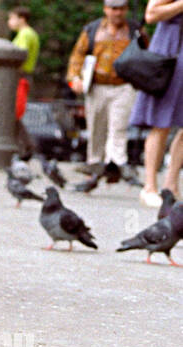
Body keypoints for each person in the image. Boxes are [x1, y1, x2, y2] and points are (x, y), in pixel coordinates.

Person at [67, 0, 137, 183]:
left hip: (124, 85)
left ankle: (116, 165)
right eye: (114, 8)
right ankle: (95, 166)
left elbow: (147, 54)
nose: (118, 13)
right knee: (96, 128)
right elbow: (77, 55)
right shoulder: (92, 29)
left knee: (118, 126)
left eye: (121, 8)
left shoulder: (134, 30)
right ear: (106, 9)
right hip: (96, 85)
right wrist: (75, 78)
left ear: (126, 9)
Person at [130, 0, 183, 206]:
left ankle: (171, 185)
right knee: (161, 122)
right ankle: (149, 186)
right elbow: (151, 14)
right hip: (171, 53)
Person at [8, 7, 39, 119]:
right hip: (24, 76)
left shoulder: (25, 34)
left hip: (20, 76)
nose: (9, 22)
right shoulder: (30, 33)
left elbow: (20, 55)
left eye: (12, 18)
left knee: (15, 112)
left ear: (22, 19)